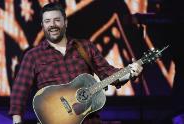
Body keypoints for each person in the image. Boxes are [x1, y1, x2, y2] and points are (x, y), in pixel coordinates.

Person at [9, 2, 143, 124]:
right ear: (42, 25)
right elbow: (19, 91)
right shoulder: (33, 56)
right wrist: (17, 120)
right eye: (47, 21)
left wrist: (129, 73)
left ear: (65, 22)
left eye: (57, 20)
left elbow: (108, 74)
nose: (52, 25)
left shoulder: (85, 47)